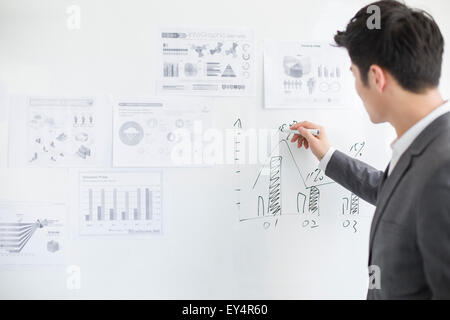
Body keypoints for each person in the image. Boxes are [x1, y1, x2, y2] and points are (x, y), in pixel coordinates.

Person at [290, 0, 450, 299]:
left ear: (376, 77)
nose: (355, 87)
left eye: (353, 74)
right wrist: (328, 156)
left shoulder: (442, 167)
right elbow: (391, 192)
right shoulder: (425, 145)